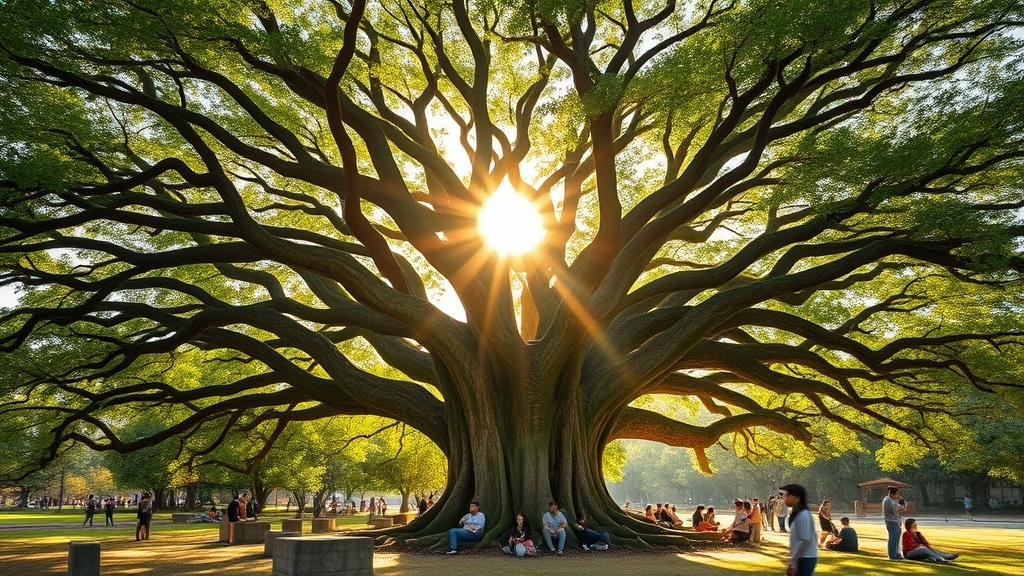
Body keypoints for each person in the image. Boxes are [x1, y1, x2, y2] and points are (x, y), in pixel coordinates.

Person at [780, 483, 817, 576]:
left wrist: (793, 561)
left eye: (786, 495)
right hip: (803, 557)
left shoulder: (803, 515)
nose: (784, 498)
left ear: (794, 497)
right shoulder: (797, 513)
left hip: (805, 557)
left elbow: (805, 540)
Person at [883, 486, 908, 560]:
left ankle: (897, 554)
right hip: (891, 521)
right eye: (896, 494)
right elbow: (899, 509)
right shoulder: (888, 500)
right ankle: (892, 555)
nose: (897, 496)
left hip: (895, 521)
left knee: (897, 538)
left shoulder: (891, 500)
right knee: (893, 539)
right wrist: (903, 505)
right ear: (891, 494)